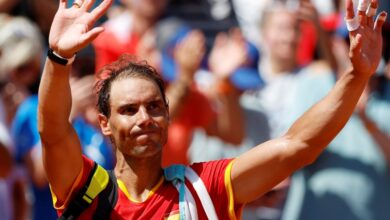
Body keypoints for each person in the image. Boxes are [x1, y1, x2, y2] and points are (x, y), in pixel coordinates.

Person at [38, 0, 386, 219]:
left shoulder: (204, 187)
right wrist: (58, 58)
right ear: (105, 124)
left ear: (168, 116)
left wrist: (357, 75)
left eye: (155, 106)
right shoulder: (88, 190)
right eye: (128, 110)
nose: (144, 118)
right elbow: (53, 131)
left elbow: (297, 146)